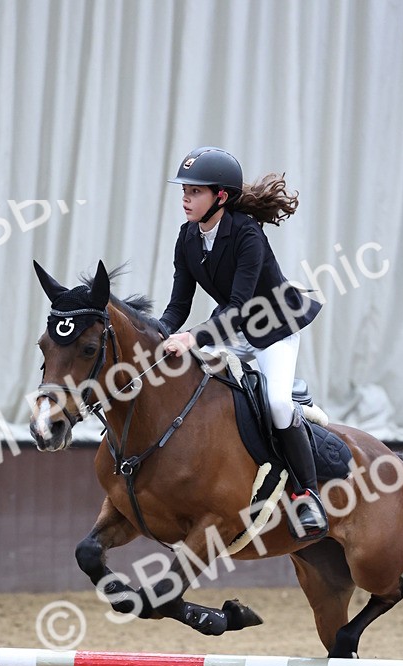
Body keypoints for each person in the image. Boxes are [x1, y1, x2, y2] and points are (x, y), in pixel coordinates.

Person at [159, 146, 328, 539]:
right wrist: (158, 334)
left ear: (221, 196)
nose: (185, 197)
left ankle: (308, 495)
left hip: (273, 329)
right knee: (195, 386)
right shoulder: (187, 238)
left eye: (196, 191)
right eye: (185, 190)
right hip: (233, 331)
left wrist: (192, 338)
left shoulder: (247, 234)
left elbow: (237, 308)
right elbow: (177, 306)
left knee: (277, 403)